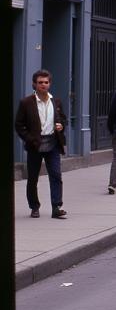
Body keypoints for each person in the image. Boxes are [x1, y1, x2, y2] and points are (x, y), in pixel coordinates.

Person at [15, 69, 68, 218]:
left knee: (56, 175)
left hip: (52, 143)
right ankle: (34, 206)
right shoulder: (26, 102)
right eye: (40, 82)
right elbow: (19, 125)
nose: (43, 85)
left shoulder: (55, 101)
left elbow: (63, 119)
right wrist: (30, 139)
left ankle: (56, 207)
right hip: (35, 145)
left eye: (46, 82)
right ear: (34, 84)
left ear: (49, 84)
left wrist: (61, 125)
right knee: (33, 178)